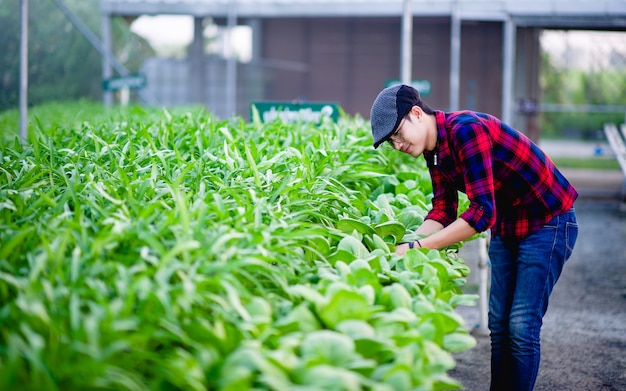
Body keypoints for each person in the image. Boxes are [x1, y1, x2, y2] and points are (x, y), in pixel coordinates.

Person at [369, 84, 579, 391]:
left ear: (416, 113)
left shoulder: (465, 130)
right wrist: (403, 246)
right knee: (498, 325)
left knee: (521, 326)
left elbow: (482, 213)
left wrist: (419, 247)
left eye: (398, 134)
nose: (397, 144)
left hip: (547, 220)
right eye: (391, 141)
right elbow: (443, 209)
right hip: (509, 224)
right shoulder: (435, 152)